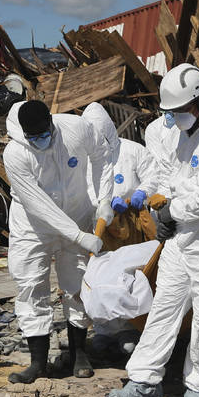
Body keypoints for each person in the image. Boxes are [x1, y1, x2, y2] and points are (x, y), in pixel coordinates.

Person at [104, 64, 199, 397]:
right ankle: (143, 382)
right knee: (164, 308)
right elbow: (173, 176)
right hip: (185, 241)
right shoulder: (187, 134)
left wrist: (173, 213)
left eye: (181, 111)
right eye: (172, 113)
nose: (176, 118)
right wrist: (162, 208)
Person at [3, 100, 115, 383]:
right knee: (31, 285)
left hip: (76, 212)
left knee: (77, 282)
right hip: (33, 225)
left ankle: (79, 354)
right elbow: (37, 203)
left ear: (52, 124)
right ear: (25, 134)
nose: (41, 141)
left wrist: (104, 199)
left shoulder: (75, 128)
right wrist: (78, 236)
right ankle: (37, 363)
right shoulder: (15, 153)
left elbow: (102, 154)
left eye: (45, 134)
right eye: (34, 138)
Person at [80, 101, 156, 355]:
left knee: (130, 275)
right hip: (102, 227)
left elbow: (154, 176)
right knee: (102, 274)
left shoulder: (133, 151)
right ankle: (104, 329)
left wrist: (142, 193)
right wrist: (102, 203)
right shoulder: (86, 160)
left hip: (132, 226)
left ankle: (130, 327)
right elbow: (84, 190)